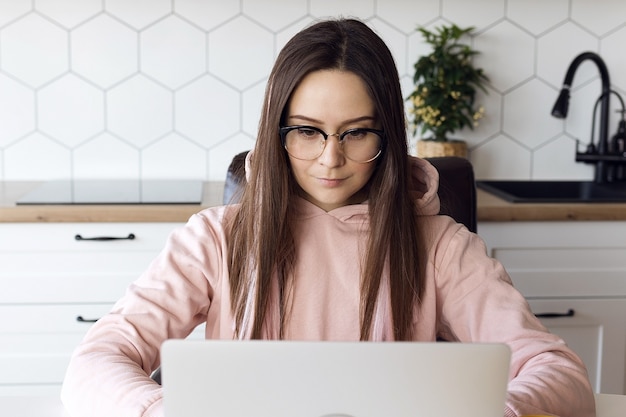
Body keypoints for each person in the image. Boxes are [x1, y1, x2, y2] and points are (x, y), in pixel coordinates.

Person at [61, 18, 595, 417]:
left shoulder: (442, 247)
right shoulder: (215, 240)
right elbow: (94, 364)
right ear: (277, 133)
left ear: (388, 136)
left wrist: (499, 411)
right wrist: (163, 411)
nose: (330, 158)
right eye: (308, 131)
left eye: (357, 131)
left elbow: (562, 374)